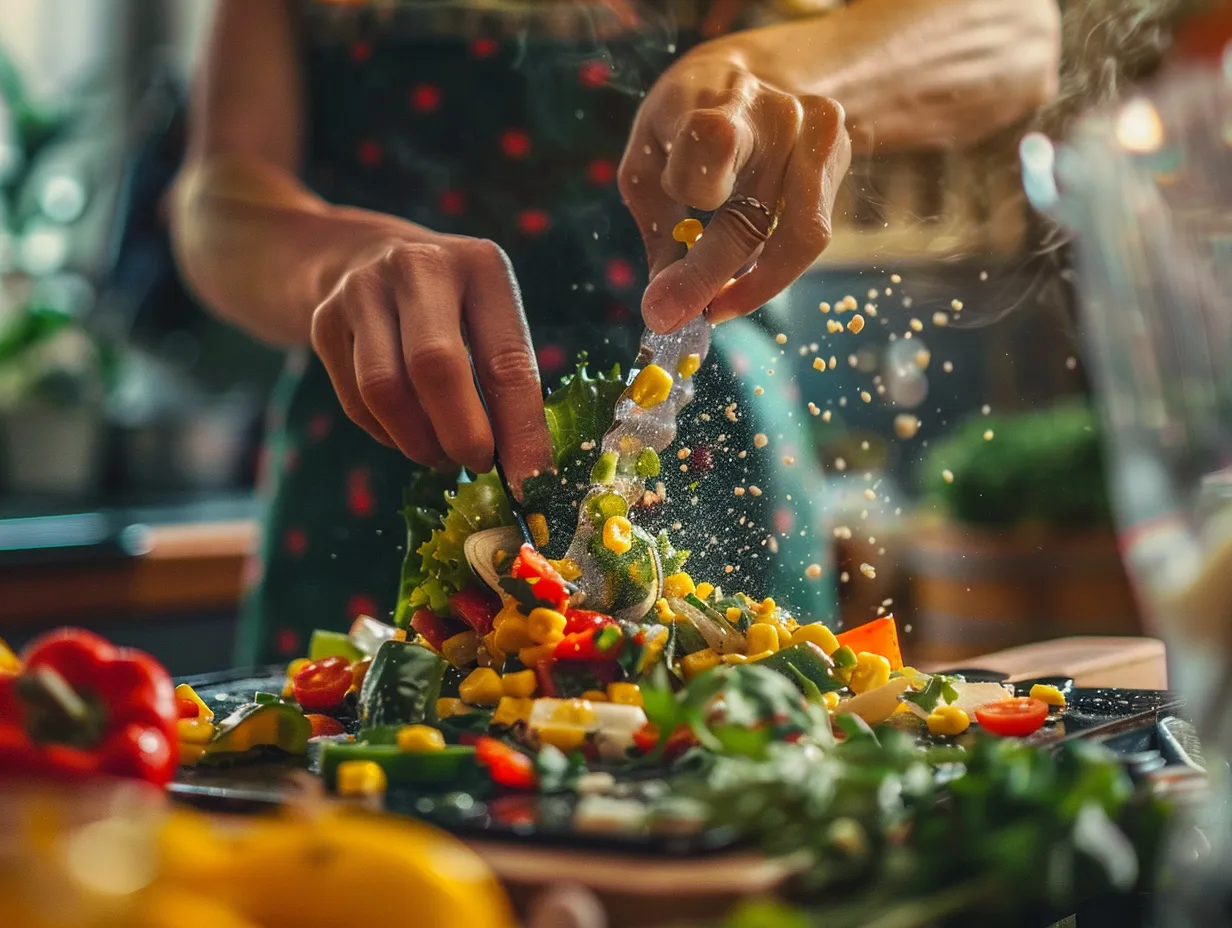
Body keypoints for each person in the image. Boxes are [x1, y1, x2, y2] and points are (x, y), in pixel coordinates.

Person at [171, 0, 1060, 666]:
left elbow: (1014, 30)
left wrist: (761, 71)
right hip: (386, 430)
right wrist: (333, 260)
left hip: (709, 441)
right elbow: (218, 198)